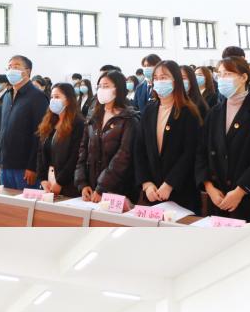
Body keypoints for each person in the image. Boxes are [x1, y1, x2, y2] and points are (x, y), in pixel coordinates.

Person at [197, 58, 250, 225]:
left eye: (228, 74)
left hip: (249, 198)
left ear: (244, 77)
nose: (222, 79)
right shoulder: (214, 113)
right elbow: (201, 152)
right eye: (220, 74)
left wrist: (240, 191)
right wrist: (209, 188)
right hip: (218, 197)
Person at [135, 60, 203, 213]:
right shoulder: (149, 110)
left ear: (176, 80)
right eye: (156, 78)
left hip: (181, 192)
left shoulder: (188, 112)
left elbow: (190, 153)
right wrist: (146, 183)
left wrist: (170, 183)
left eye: (164, 77)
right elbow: (139, 149)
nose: (159, 81)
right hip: (153, 191)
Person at [76, 69, 138, 203]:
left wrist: (101, 188)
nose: (101, 90)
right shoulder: (93, 117)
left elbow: (123, 157)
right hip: (91, 187)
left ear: (118, 89)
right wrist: (82, 183)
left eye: (106, 86)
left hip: (116, 189)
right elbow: (83, 151)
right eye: (99, 86)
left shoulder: (128, 119)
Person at [0, 55, 49, 190]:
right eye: (9, 67)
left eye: (16, 66)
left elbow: (40, 134)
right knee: (6, 202)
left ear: (27, 71)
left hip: (24, 168)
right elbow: (3, 131)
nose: (11, 70)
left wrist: (33, 166)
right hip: (5, 165)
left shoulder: (37, 97)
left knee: (25, 203)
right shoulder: (7, 96)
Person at [36, 83, 84, 198]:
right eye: (52, 97)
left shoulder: (78, 123)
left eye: (57, 97)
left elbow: (75, 157)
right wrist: (42, 179)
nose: (53, 100)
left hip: (67, 184)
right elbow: (40, 152)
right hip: (48, 181)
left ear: (68, 100)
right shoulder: (49, 121)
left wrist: (60, 182)